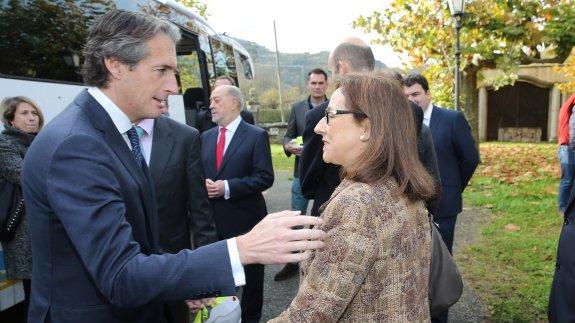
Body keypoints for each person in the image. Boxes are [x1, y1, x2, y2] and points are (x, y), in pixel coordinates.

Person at [21, 10, 324, 322]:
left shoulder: (117, 132)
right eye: (161, 70)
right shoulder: (77, 145)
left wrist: (188, 285)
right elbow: (121, 275)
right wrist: (242, 249)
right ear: (115, 65)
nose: (173, 87)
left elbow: (143, 245)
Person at [270, 72, 435, 322]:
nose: (317, 127)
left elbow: (309, 316)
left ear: (366, 128)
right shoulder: (400, 185)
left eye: (331, 115)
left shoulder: (358, 205)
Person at [299, 38, 440, 217]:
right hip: (401, 207)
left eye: (331, 115)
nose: (320, 128)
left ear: (342, 67)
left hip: (339, 214)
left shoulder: (317, 114)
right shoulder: (411, 109)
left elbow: (308, 183)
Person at [403, 73, 480, 323]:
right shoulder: (401, 122)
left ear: (428, 94)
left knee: (438, 268)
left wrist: (454, 187)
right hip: (409, 207)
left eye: (415, 94)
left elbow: (470, 159)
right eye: (405, 96)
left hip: (443, 208)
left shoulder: (451, 119)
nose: (411, 100)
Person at [200, 85, 274, 323]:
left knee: (251, 280)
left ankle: (251, 319)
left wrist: (227, 187)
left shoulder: (255, 135)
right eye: (211, 100)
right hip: (214, 222)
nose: (211, 105)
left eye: (216, 100)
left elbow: (265, 177)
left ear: (234, 102)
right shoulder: (205, 137)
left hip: (247, 221)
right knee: (219, 277)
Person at [137, 114, 218, 323]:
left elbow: (200, 212)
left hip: (173, 268)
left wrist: (204, 275)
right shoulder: (96, 136)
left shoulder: (185, 137)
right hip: (118, 280)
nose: (171, 88)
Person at [274, 68, 328, 281]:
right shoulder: (296, 108)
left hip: (326, 174)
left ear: (326, 84)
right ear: (308, 84)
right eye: (313, 83)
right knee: (296, 218)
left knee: (322, 220)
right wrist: (289, 146)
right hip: (301, 172)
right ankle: (292, 262)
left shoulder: (336, 106)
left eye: (320, 83)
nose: (317, 86)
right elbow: (288, 137)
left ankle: (320, 263)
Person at [0, 96, 43, 322]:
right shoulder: (4, 144)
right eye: (25, 113)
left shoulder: (40, 142)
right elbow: (23, 174)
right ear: (11, 120)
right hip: (22, 230)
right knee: (34, 293)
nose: (31, 118)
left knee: (47, 291)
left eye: (34, 113)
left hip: (43, 225)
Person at [557, 93, 575, 215]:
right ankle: (563, 209)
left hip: (566, 146)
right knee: (568, 179)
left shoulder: (569, 104)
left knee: (568, 179)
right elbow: (574, 130)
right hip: (569, 147)